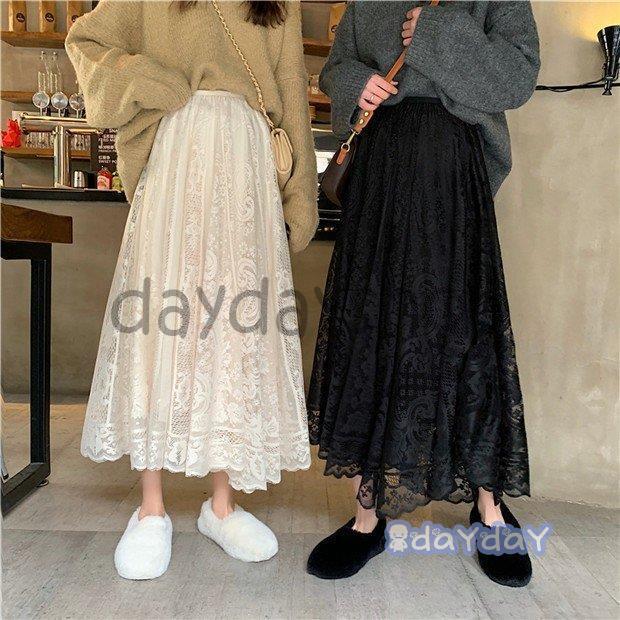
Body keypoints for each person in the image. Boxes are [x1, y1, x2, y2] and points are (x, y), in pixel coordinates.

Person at [66, 0, 318, 580]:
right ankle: (151, 507)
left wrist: (299, 190)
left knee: (234, 334)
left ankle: (221, 505)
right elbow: (85, 41)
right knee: (159, 325)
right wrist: (150, 79)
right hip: (177, 154)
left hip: (247, 165)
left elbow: (290, 90)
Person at [306, 0, 539, 587]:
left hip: (452, 173)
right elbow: (335, 67)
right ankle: (368, 516)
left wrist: (438, 32)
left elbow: (517, 76)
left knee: (467, 334)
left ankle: (489, 508)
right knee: (373, 333)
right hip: (380, 179)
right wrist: (355, 84)